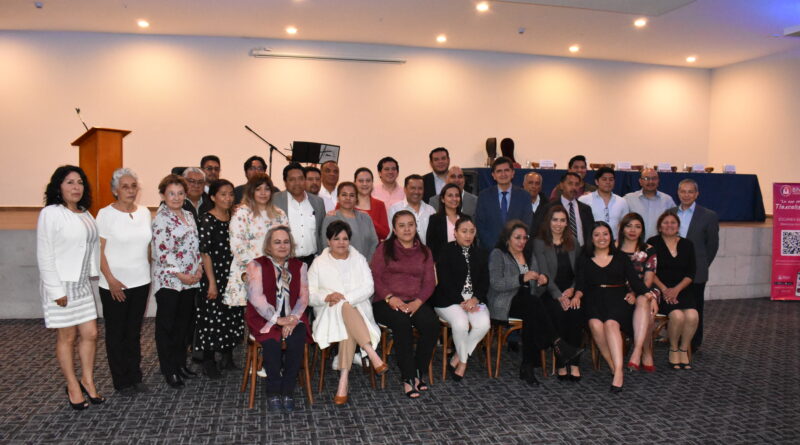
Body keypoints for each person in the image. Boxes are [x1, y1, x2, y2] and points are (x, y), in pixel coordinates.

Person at [37, 165, 105, 410]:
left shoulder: (84, 213)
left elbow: (92, 246)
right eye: (70, 182)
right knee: (67, 336)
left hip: (81, 283)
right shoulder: (51, 213)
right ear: (58, 186)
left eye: (80, 182)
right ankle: (72, 385)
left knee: (91, 334)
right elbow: (44, 254)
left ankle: (87, 380)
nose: (76, 187)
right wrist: (56, 291)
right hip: (61, 284)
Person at [308, 221, 388, 405]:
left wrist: (346, 299)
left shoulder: (358, 259)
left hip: (358, 309)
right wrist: (327, 297)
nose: (341, 243)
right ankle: (371, 352)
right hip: (328, 311)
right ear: (328, 241)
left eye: (345, 239)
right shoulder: (318, 263)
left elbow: (369, 286)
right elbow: (310, 295)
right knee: (344, 310)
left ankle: (343, 381)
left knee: (346, 316)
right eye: (336, 239)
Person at [575, 222, 652, 393]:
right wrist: (577, 295)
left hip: (618, 298)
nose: (602, 238)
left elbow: (635, 281)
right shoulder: (584, 258)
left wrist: (648, 295)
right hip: (593, 299)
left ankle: (618, 373)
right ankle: (614, 366)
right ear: (591, 239)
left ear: (611, 236)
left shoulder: (621, 257)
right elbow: (580, 284)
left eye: (605, 234)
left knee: (611, 323)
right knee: (595, 324)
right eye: (597, 235)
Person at [96, 168, 151, 396]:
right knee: (116, 334)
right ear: (115, 190)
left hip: (141, 281)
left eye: (133, 186)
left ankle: (135, 376)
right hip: (114, 284)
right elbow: (98, 251)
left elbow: (147, 246)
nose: (130, 190)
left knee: (134, 332)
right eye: (125, 186)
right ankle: (121, 381)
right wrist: (110, 280)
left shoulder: (144, 212)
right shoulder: (105, 214)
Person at [371, 211, 438, 398]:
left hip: (415, 301)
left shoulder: (425, 251)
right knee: (402, 323)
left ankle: (417, 372)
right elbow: (375, 277)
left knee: (432, 324)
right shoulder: (384, 248)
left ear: (416, 227)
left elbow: (429, 283)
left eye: (410, 224)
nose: (407, 229)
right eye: (401, 225)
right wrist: (390, 297)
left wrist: (418, 302)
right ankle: (407, 377)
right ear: (394, 229)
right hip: (385, 302)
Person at [245, 226, 310, 412]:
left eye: (286, 242)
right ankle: (273, 391)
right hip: (263, 317)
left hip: (292, 315)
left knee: (297, 338)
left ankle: (288, 390)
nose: (282, 246)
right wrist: (277, 320)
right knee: (271, 342)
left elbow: (303, 298)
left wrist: (292, 319)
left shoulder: (300, 266)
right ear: (268, 245)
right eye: (277, 242)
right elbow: (256, 298)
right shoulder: (256, 265)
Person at [486, 220, 556, 386]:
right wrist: (521, 278)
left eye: (525, 238)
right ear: (507, 238)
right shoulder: (498, 254)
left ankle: (528, 365)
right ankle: (556, 342)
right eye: (517, 237)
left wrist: (542, 281)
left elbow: (535, 289)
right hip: (505, 302)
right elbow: (496, 283)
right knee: (533, 306)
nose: (522, 241)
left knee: (532, 310)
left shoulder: (529, 255)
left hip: (527, 302)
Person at [151, 174, 203, 389]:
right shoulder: (161, 218)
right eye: (171, 193)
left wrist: (199, 268)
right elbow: (163, 252)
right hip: (170, 281)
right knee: (168, 327)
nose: (176, 197)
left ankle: (181, 364)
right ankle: (169, 369)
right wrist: (181, 275)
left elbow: (195, 245)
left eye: (180, 193)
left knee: (184, 326)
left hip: (190, 280)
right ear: (163, 195)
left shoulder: (188, 215)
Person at [431, 216, 490, 381]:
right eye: (464, 231)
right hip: (448, 300)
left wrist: (475, 299)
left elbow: (485, 281)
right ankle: (463, 363)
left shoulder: (480, 253)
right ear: (455, 233)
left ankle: (457, 356)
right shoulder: (446, 250)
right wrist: (461, 301)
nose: (468, 235)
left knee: (483, 324)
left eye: (471, 231)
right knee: (461, 323)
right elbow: (444, 281)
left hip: (473, 300)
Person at [196, 179, 243, 378]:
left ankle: (227, 357)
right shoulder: (207, 219)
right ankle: (208, 361)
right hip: (214, 276)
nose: (228, 198)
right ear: (213, 197)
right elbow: (205, 253)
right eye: (223, 194)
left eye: (231, 194)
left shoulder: (235, 218)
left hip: (233, 276)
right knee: (212, 319)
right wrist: (212, 283)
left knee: (231, 316)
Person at [533, 205, 585, 381]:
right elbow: (544, 273)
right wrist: (559, 296)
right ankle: (562, 363)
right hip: (549, 291)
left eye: (562, 220)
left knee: (576, 312)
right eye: (555, 220)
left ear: (567, 223)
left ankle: (575, 363)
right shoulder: (540, 243)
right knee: (559, 312)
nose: (558, 224)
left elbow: (580, 272)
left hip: (570, 291)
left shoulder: (573, 242)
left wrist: (573, 290)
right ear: (548, 222)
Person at [224, 173, 288, 309]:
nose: (263, 193)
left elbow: (286, 243)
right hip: (248, 272)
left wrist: (275, 267)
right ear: (251, 191)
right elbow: (237, 245)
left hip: (275, 272)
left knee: (274, 314)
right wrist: (259, 269)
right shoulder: (242, 213)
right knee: (251, 316)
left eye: (267, 189)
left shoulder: (280, 214)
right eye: (258, 189)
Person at [671, 179, 719, 351]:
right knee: (675, 306)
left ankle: (694, 342)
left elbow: (712, 246)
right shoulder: (670, 213)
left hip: (697, 270)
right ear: (678, 193)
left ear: (697, 194)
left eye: (690, 192)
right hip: (673, 270)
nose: (686, 195)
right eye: (683, 191)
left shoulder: (708, 215)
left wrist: (702, 264)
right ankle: (675, 338)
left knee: (695, 306)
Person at [648, 211, 697, 370]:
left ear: (678, 226)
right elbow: (650, 271)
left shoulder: (687, 244)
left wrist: (676, 290)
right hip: (660, 290)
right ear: (659, 227)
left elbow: (691, 273)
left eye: (673, 222)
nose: (669, 225)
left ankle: (683, 349)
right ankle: (673, 348)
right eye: (665, 223)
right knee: (677, 316)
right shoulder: (652, 243)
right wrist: (665, 290)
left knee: (693, 315)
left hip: (682, 289)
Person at [617, 212, 660, 372]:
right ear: (622, 228)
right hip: (620, 291)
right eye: (629, 226)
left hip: (644, 289)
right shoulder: (613, 247)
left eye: (637, 227)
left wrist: (636, 293)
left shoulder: (648, 249)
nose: (633, 230)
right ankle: (645, 351)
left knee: (644, 300)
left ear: (642, 230)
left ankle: (636, 351)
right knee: (649, 316)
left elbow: (648, 280)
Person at [273, 163, 326, 266]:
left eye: (300, 179)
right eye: (292, 179)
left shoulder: (318, 202)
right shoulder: (275, 200)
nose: (297, 183)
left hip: (312, 261)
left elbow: (321, 231)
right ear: (285, 182)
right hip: (284, 262)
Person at [475, 157, 533, 249]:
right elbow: (480, 225)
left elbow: (527, 224)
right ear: (493, 175)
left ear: (512, 173)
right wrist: (496, 248)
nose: (503, 174)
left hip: (517, 249)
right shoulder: (484, 196)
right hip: (490, 251)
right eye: (499, 171)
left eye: (506, 170)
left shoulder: (524, 196)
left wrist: (513, 247)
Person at [322, 182, 378, 260]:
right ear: (338, 197)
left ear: (356, 198)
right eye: (344, 195)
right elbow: (325, 245)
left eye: (352, 195)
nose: (348, 198)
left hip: (366, 264)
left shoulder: (365, 217)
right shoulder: (331, 218)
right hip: (339, 264)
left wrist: (368, 262)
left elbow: (374, 242)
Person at [536, 172, 594, 246]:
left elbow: (590, 232)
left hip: (582, 250)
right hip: (556, 249)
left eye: (577, 184)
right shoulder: (549, 208)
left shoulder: (586, 209)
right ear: (561, 185)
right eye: (570, 183)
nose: (574, 187)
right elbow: (542, 231)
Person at [623, 168, 677, 240]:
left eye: (654, 178)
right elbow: (621, 223)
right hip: (634, 243)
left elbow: (675, 223)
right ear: (640, 181)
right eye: (646, 178)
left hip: (660, 244)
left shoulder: (667, 200)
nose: (650, 181)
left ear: (658, 181)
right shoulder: (628, 199)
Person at [579, 166, 629, 235]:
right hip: (592, 240)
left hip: (615, 240)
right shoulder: (584, 199)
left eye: (611, 180)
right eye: (604, 179)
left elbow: (625, 224)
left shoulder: (622, 201)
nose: (608, 182)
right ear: (596, 182)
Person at [388, 175, 437, 243]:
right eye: (413, 188)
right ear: (405, 189)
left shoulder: (431, 210)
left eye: (420, 188)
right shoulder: (395, 209)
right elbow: (391, 235)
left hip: (427, 249)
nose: (416, 192)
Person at [425, 183, 463, 260]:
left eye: (457, 195)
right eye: (450, 195)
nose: (454, 198)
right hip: (442, 262)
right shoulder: (434, 219)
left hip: (463, 261)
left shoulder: (466, 218)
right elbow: (430, 244)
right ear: (442, 199)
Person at [353, 167, 390, 240]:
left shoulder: (380, 205)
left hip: (374, 247)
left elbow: (385, 234)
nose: (365, 184)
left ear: (372, 183)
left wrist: (369, 220)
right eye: (361, 181)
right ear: (355, 183)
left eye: (368, 181)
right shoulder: (344, 203)